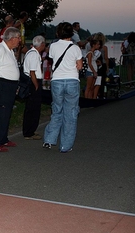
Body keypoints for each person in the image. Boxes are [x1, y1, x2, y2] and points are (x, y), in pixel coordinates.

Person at [43, 22, 83, 153]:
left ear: (58, 33)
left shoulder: (53, 46)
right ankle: (65, 145)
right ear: (71, 33)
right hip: (72, 80)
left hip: (57, 81)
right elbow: (79, 66)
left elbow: (52, 59)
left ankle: (49, 139)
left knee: (57, 110)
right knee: (70, 114)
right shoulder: (76, 48)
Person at [22, 36, 46, 140]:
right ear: (42, 44)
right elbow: (32, 72)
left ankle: (29, 130)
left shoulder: (31, 53)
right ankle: (29, 131)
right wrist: (36, 85)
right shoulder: (34, 55)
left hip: (32, 81)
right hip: (33, 82)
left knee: (31, 107)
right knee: (33, 108)